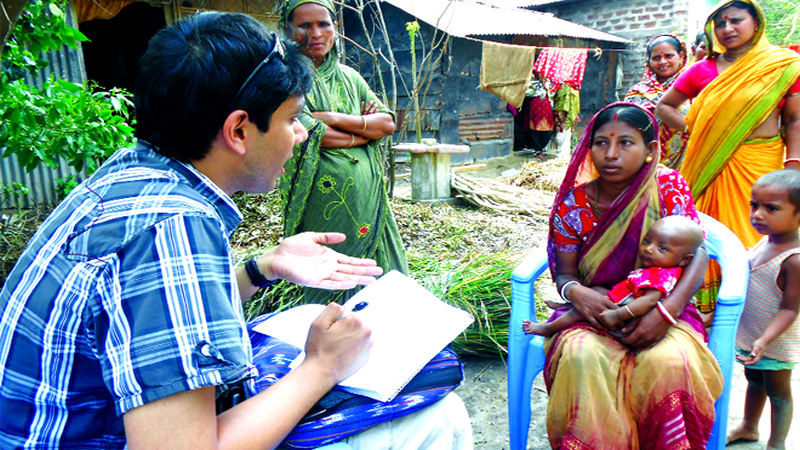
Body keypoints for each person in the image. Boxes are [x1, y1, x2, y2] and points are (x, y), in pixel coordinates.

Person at [0, 13, 472, 449]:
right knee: (436, 417)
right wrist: (323, 366)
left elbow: (135, 310)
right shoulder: (174, 228)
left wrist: (259, 268)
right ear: (239, 131)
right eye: (291, 120)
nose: (302, 135)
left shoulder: (133, 173)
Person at [544, 101, 723, 448]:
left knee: (669, 362)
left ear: (649, 150)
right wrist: (577, 294)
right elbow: (565, 275)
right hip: (594, 311)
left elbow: (696, 252)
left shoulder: (668, 186)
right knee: (582, 358)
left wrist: (664, 313)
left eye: (625, 142)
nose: (611, 154)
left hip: (665, 306)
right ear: (588, 147)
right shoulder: (574, 203)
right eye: (600, 143)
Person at [657, 0, 800, 318]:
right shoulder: (702, 69)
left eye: (736, 20)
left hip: (759, 161)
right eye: (720, 23)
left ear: (756, 23)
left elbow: (794, 120)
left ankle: (755, 307)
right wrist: (698, 131)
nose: (727, 29)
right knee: (708, 232)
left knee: (759, 230)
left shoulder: (782, 65)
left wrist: (794, 164)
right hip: (708, 162)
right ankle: (707, 310)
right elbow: (665, 106)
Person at [278, 0, 408, 305]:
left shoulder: (350, 78)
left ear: (335, 28)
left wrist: (334, 118)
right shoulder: (286, 79)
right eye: (304, 25)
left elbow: (387, 123)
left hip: (370, 201)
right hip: (322, 206)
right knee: (331, 280)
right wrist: (363, 131)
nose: (316, 33)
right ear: (288, 29)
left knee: (382, 283)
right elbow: (311, 134)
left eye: (324, 24)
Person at [524, 215, 704, 337]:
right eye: (647, 241)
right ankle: (568, 305)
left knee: (582, 311)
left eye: (662, 248)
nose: (648, 249)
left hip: (635, 313)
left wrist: (617, 315)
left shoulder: (662, 276)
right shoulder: (659, 267)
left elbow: (648, 302)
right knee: (595, 291)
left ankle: (548, 328)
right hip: (628, 297)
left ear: (684, 260)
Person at [727, 169, 800, 449]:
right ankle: (748, 427)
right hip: (753, 335)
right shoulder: (765, 241)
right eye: (754, 205)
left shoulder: (793, 259)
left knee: (778, 392)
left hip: (774, 340)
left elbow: (790, 310)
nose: (757, 214)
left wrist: (765, 339)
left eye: (771, 208)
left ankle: (777, 443)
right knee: (753, 380)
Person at [625, 34, 690, 169]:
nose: (662, 62)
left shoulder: (695, 88)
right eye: (656, 58)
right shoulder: (638, 92)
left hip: (689, 164)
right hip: (646, 165)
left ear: (681, 56)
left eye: (669, 56)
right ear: (649, 61)